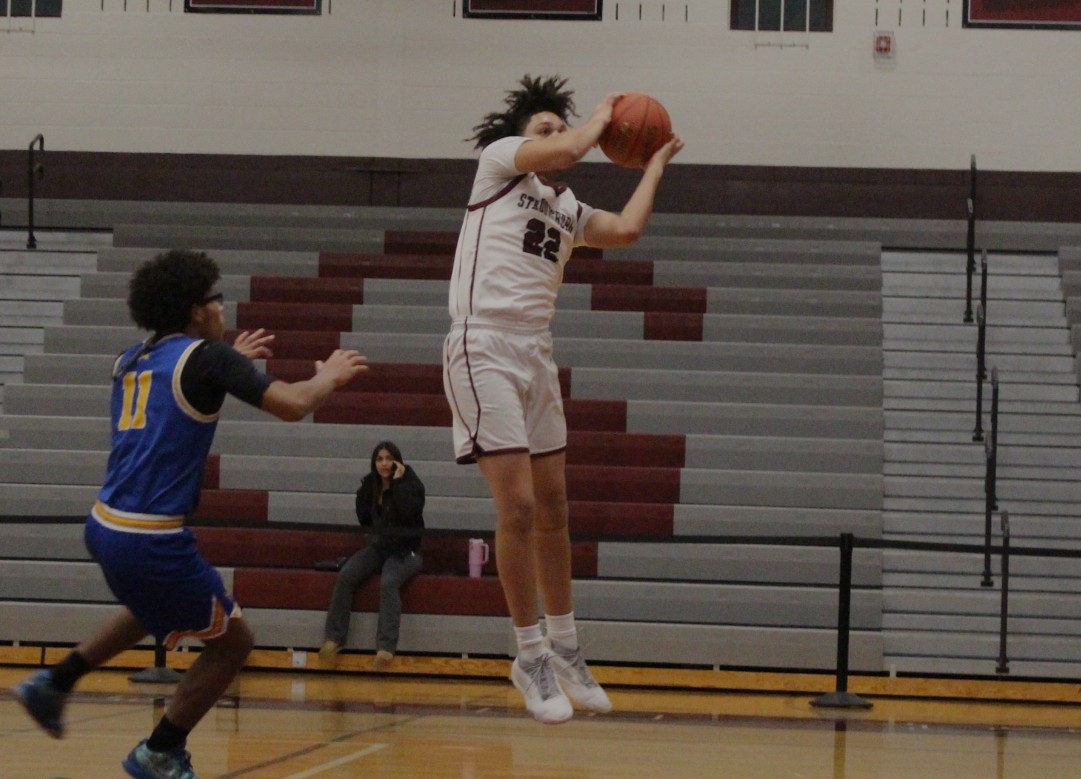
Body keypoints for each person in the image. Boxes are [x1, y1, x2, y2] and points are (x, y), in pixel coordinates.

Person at [11, 249, 368, 779]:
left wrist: (228, 358)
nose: (224, 307)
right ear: (197, 311)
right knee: (234, 644)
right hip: (150, 535)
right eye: (217, 300)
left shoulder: (132, 358)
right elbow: (293, 404)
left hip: (105, 523)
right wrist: (330, 377)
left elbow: (184, 390)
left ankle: (54, 682)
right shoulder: (207, 361)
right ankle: (159, 751)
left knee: (153, 607)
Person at [441, 75, 683, 724]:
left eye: (557, 127)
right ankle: (529, 653)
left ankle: (568, 646)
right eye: (542, 129)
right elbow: (567, 150)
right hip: (482, 342)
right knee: (516, 504)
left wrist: (652, 164)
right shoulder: (497, 168)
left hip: (534, 352)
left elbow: (627, 229)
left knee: (554, 506)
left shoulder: (568, 208)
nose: (553, 139)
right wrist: (598, 119)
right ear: (523, 139)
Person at [319, 440, 425, 671]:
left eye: (388, 458)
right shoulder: (372, 485)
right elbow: (364, 519)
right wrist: (364, 492)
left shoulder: (412, 485)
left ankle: (385, 648)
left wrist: (397, 484)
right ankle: (334, 638)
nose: (384, 463)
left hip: (407, 551)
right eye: (379, 459)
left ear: (397, 461)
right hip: (379, 547)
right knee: (347, 574)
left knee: (388, 582)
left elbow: (409, 514)